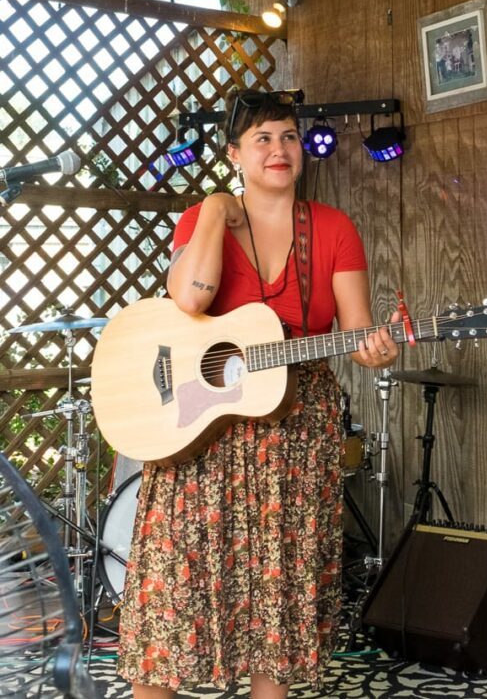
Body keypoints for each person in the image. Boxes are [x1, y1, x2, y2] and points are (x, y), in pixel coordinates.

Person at [117, 89, 400, 699]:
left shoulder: (333, 228)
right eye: (263, 139)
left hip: (297, 428)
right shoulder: (201, 219)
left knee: (279, 596)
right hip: (199, 426)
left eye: (289, 137)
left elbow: (353, 330)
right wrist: (218, 209)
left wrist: (376, 346)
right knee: (174, 586)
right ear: (235, 153)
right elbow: (190, 299)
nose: (279, 149)